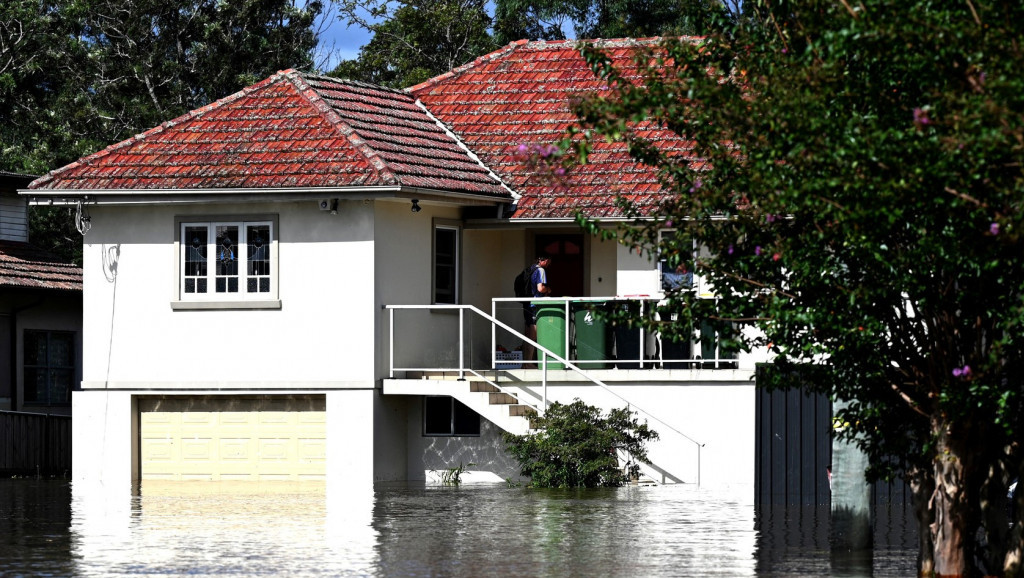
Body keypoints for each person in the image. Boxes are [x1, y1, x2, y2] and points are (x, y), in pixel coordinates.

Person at [522, 255, 552, 368]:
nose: (549, 264)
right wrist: (548, 289)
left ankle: (525, 363)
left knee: (527, 334)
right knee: (533, 335)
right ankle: (528, 363)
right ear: (545, 260)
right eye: (549, 261)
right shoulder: (540, 270)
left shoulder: (530, 269)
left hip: (526, 304)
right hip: (534, 305)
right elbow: (540, 288)